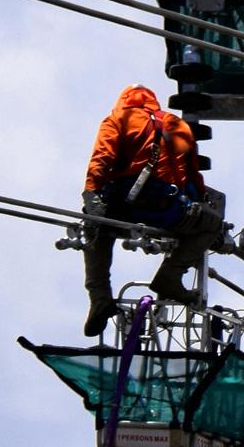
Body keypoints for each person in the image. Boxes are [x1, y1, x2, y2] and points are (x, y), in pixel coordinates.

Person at [81, 84, 227, 339]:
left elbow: (101, 159)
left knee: (95, 226)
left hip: (122, 209)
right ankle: (170, 276)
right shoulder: (175, 124)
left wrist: (91, 197)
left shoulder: (118, 118)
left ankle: (100, 297)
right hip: (166, 208)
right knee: (211, 224)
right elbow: (191, 176)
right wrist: (196, 208)